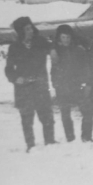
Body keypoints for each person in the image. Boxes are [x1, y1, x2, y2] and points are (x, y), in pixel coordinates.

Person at [5, 16, 56, 152]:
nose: (31, 31)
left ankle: (50, 143)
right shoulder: (14, 47)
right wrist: (15, 78)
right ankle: (30, 146)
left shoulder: (40, 41)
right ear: (21, 31)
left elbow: (52, 45)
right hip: (24, 89)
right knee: (27, 120)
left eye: (31, 28)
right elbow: (9, 69)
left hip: (40, 86)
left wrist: (52, 50)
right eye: (27, 29)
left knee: (47, 117)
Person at [50, 25, 93, 143]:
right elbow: (54, 70)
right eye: (63, 37)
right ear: (59, 38)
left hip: (77, 85)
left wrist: (87, 83)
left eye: (68, 37)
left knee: (87, 111)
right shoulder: (56, 52)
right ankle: (70, 137)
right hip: (62, 86)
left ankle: (86, 136)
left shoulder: (78, 50)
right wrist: (56, 84)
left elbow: (86, 67)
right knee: (65, 113)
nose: (66, 40)